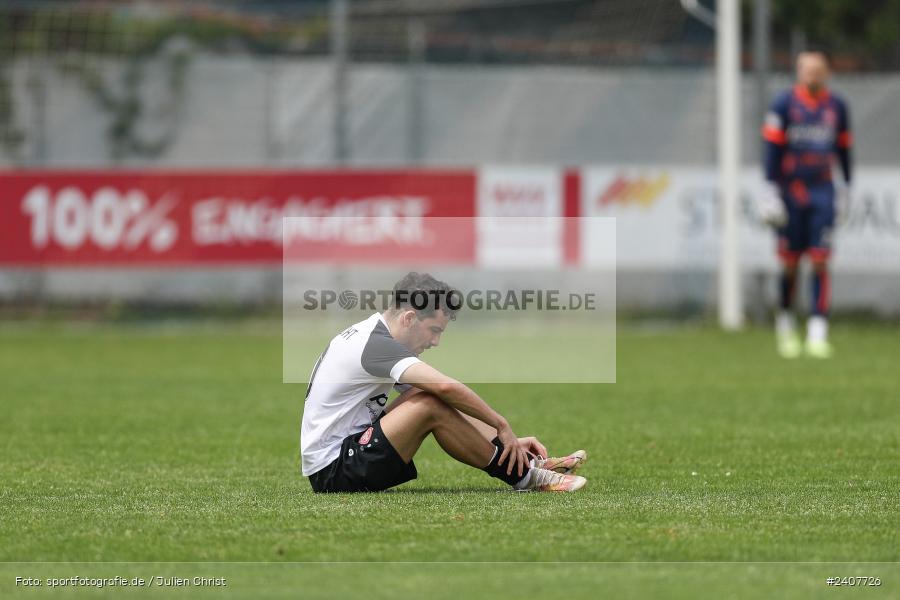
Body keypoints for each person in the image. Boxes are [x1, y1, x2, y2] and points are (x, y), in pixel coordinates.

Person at [300, 272, 587, 493]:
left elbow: (439, 392)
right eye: (434, 330)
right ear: (410, 318)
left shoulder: (374, 334)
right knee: (430, 403)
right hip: (335, 471)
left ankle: (522, 462)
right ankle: (524, 477)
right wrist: (502, 425)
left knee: (426, 394)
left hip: (346, 454)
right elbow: (446, 387)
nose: (435, 342)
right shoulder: (376, 345)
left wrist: (502, 442)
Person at [758, 48, 853, 359]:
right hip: (790, 191)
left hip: (823, 190)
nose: (812, 75)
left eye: (817, 70)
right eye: (806, 70)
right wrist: (770, 189)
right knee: (789, 264)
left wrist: (846, 187)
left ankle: (817, 332)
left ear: (826, 72)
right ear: (798, 72)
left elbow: (843, 149)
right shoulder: (784, 104)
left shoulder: (837, 106)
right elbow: (772, 149)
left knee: (821, 260)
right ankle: (785, 324)